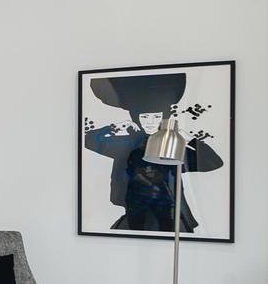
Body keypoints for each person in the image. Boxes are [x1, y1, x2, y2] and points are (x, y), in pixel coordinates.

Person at [84, 73, 223, 233]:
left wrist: (185, 136)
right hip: (135, 216)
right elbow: (87, 140)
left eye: (156, 116)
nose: (150, 122)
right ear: (136, 118)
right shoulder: (126, 144)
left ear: (163, 118)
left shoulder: (172, 146)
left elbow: (213, 162)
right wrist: (117, 127)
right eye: (145, 116)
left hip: (170, 218)